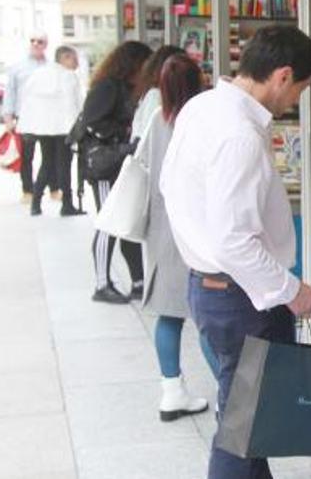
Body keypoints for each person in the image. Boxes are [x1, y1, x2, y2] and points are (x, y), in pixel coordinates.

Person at [160, 25, 311, 479]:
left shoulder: (202, 107)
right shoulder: (241, 135)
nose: (295, 102)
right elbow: (234, 239)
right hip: (242, 299)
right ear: (283, 75)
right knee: (240, 432)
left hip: (210, 288)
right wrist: (292, 291)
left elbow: (170, 186)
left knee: (251, 425)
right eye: (301, 90)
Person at [136, 52, 220, 422]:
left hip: (161, 228)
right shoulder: (204, 120)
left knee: (169, 314)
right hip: (197, 228)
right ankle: (227, 392)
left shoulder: (158, 119)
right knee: (207, 317)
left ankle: (171, 392)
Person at [82, 40, 152, 304]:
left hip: (118, 161)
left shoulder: (124, 87)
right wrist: (123, 133)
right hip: (104, 164)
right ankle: (102, 283)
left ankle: (138, 280)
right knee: (108, 223)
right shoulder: (108, 87)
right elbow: (92, 122)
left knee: (127, 220)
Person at [17, 45, 83, 216]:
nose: (77, 63)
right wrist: (77, 129)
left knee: (47, 163)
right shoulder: (68, 76)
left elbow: (28, 100)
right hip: (63, 128)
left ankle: (36, 203)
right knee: (64, 166)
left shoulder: (39, 74)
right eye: (74, 59)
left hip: (42, 128)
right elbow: (72, 105)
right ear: (65, 58)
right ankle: (67, 204)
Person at [3, 31, 48, 203]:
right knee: (27, 156)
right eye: (33, 41)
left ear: (46, 45)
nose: (36, 44)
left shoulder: (50, 66)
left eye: (40, 41)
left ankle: (52, 188)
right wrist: (8, 117)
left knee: (49, 155)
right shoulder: (18, 67)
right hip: (25, 118)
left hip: (46, 118)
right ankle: (28, 190)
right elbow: (10, 93)